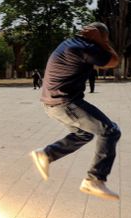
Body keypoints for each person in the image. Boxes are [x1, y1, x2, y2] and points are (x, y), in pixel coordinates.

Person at [31, 23, 122, 200]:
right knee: (110, 130)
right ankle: (94, 179)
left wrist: (99, 39)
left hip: (52, 104)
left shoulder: (70, 43)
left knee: (84, 134)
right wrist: (103, 42)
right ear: (97, 35)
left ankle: (46, 154)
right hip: (65, 103)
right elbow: (114, 61)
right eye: (105, 38)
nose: (105, 42)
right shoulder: (84, 48)